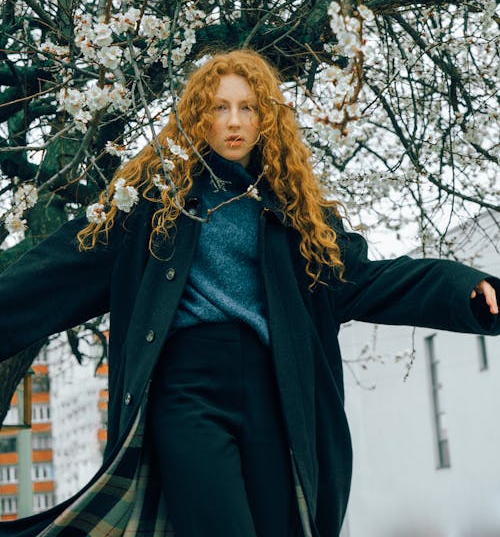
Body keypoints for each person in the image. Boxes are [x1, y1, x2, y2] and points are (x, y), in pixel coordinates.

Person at [0, 48, 498, 537]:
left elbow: (368, 280)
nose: (233, 121)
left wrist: (461, 288)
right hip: (186, 392)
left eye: (248, 107)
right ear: (199, 116)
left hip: (273, 393)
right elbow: (52, 274)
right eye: (219, 107)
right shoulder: (151, 205)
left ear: (266, 120)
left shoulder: (300, 218)